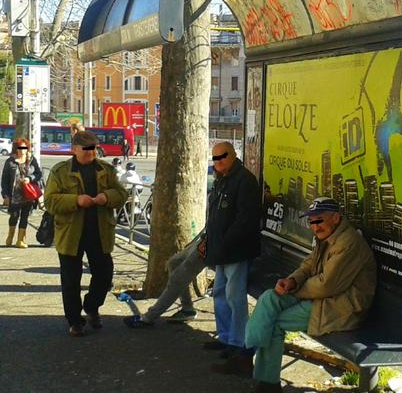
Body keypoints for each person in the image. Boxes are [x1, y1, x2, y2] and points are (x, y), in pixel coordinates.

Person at [245, 197, 377, 393]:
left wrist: (295, 289)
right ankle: (246, 355)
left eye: (319, 220)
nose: (315, 226)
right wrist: (292, 281)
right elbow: (308, 265)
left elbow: (327, 285)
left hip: (341, 307)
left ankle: (265, 382)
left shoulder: (348, 242)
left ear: (335, 218)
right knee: (269, 298)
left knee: (275, 322)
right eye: (311, 221)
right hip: (320, 297)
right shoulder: (326, 237)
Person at [44, 131, 128, 337]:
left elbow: (122, 194)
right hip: (71, 233)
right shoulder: (60, 171)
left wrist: (106, 197)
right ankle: (75, 321)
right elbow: (50, 201)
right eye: (87, 149)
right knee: (71, 280)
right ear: (74, 149)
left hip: (99, 232)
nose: (91, 153)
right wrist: (76, 201)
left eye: (94, 148)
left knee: (104, 274)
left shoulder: (106, 170)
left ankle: (92, 306)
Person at [204, 141, 261, 375]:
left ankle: (237, 343)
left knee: (234, 297)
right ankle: (226, 337)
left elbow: (246, 219)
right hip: (221, 248)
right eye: (214, 159)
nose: (217, 163)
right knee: (219, 292)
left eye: (221, 157)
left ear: (233, 155)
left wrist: (226, 240)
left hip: (236, 249)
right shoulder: (222, 178)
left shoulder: (244, 180)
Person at [123, 228, 207, 328]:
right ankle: (187, 309)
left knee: (178, 278)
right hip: (209, 234)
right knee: (174, 263)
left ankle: (149, 317)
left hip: (215, 239)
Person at [2, 138, 42, 248]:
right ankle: (10, 236)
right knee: (14, 216)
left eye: (24, 148)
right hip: (14, 195)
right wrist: (5, 195)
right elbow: (4, 180)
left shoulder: (32, 160)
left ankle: (20, 240)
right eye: (20, 148)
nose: (22, 150)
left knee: (25, 217)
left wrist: (30, 178)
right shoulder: (10, 161)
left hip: (28, 194)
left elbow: (39, 174)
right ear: (16, 148)